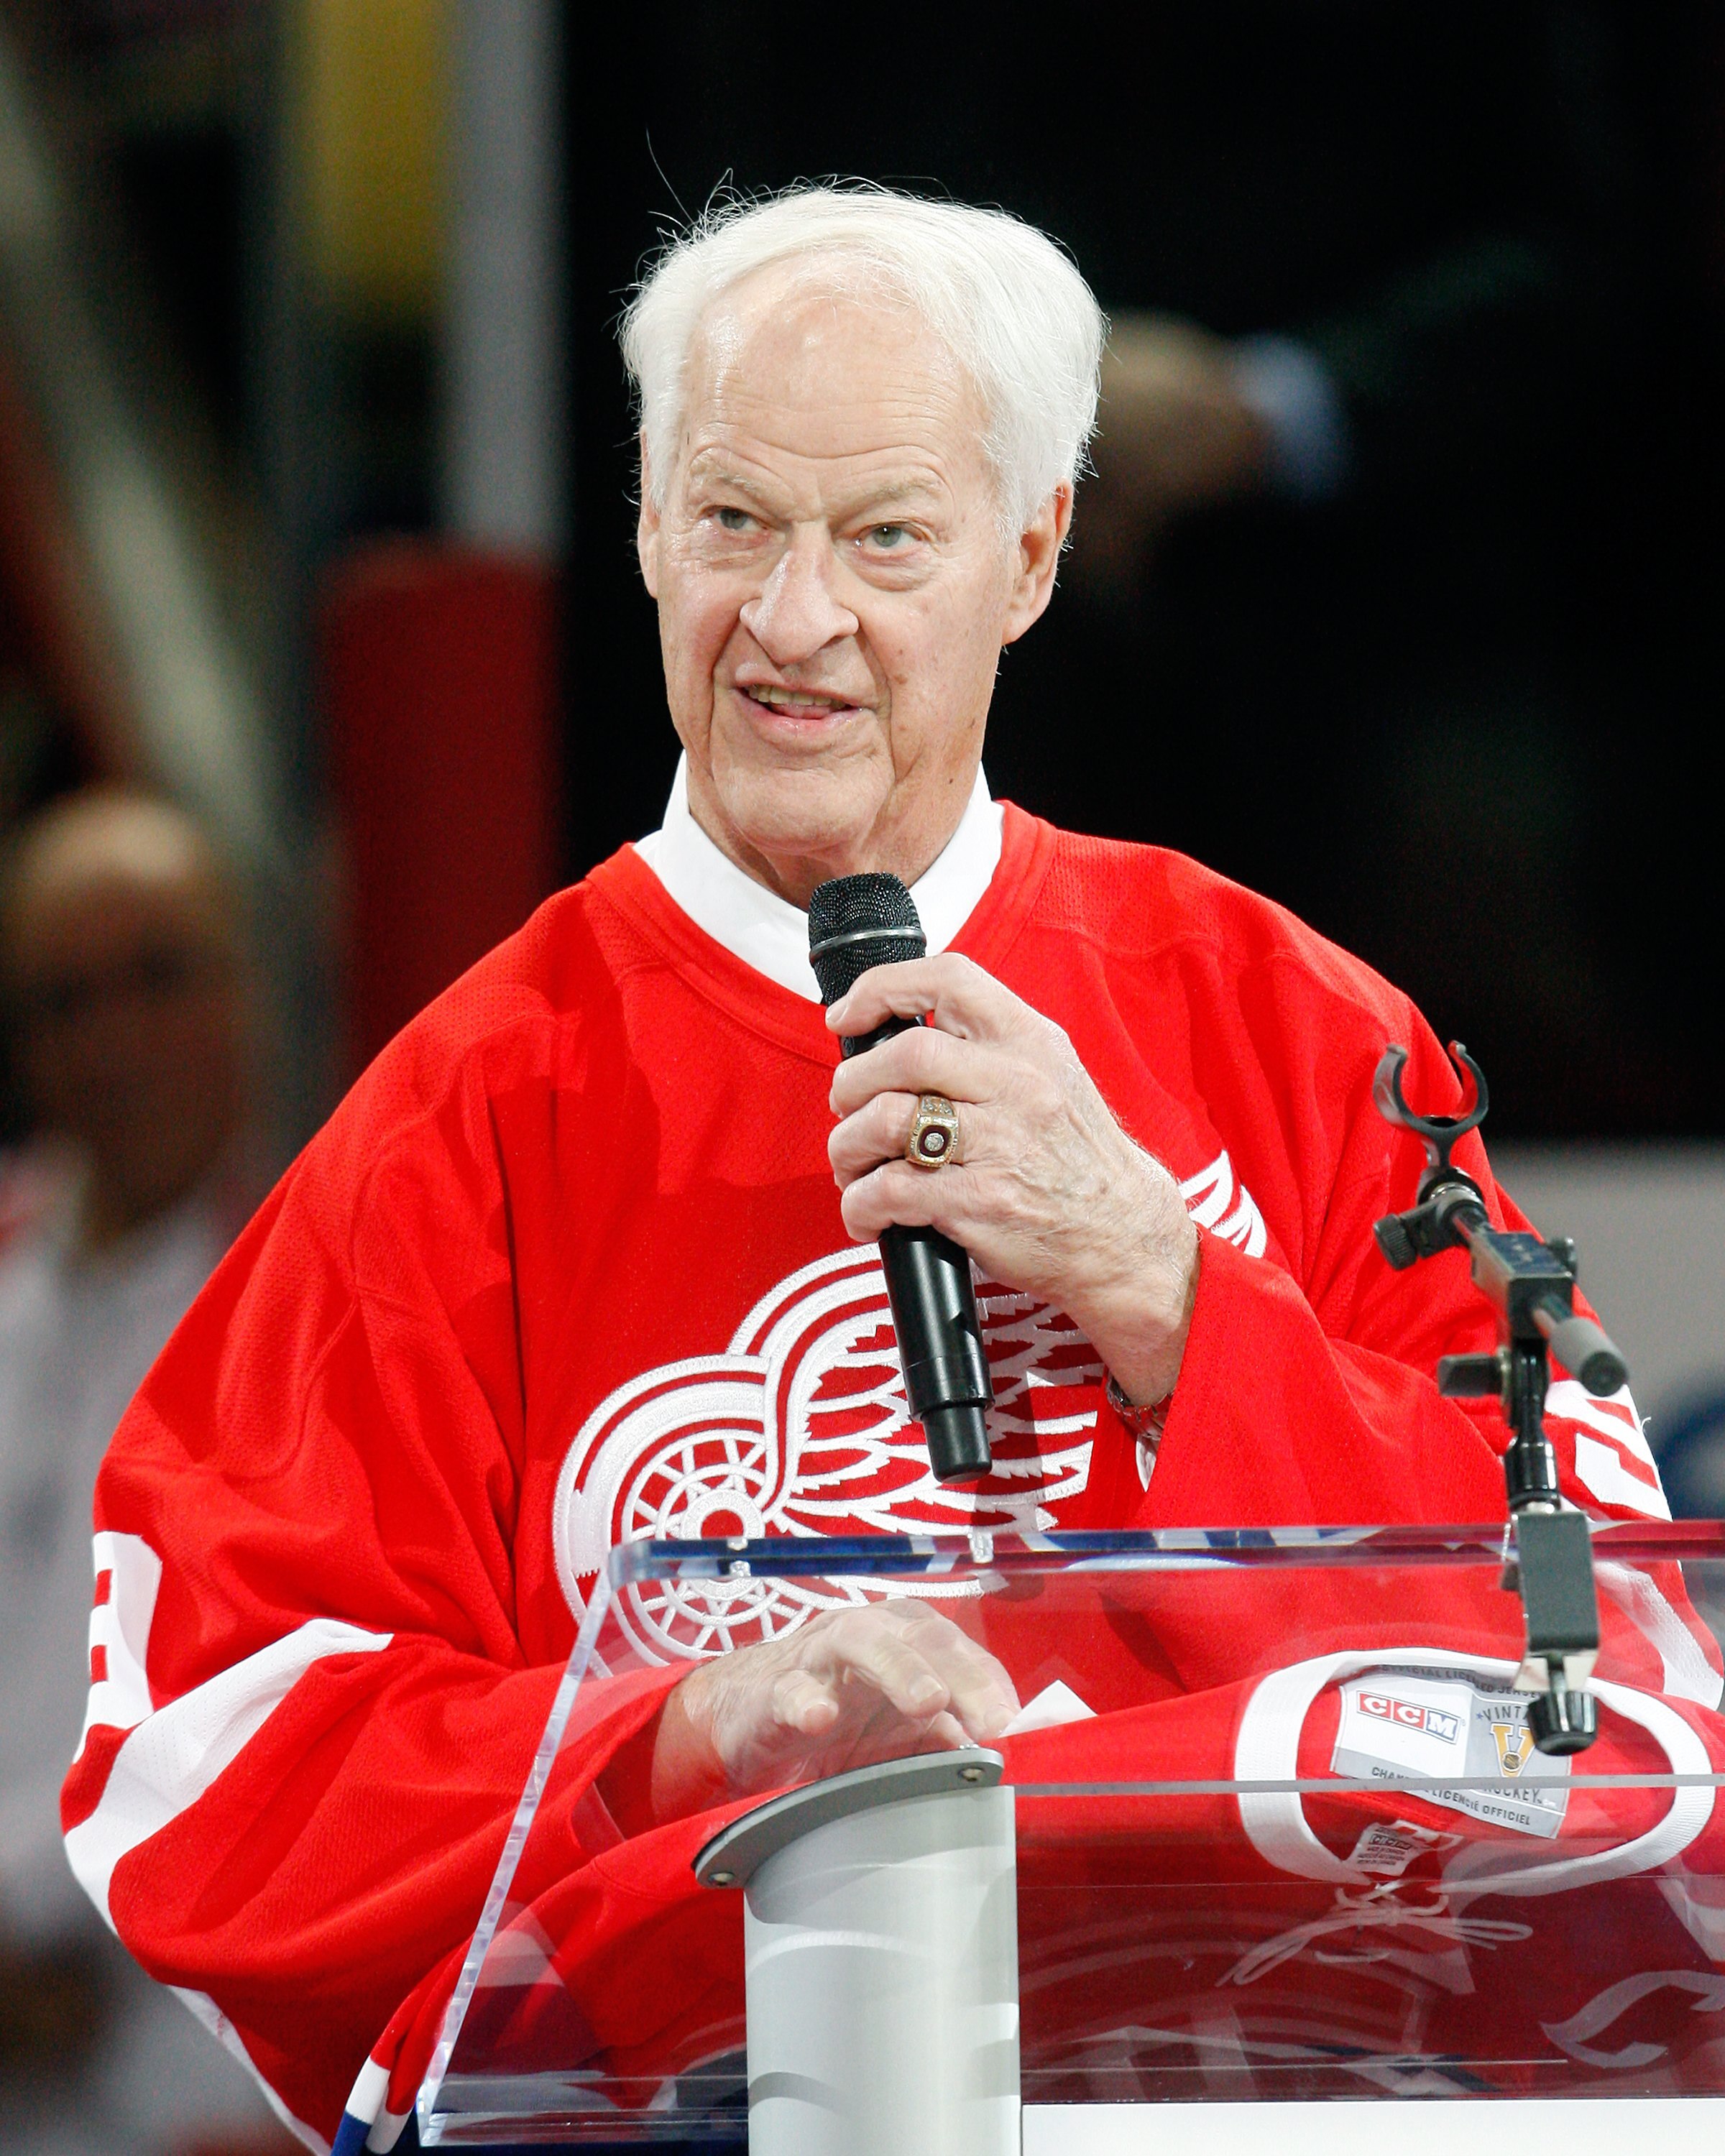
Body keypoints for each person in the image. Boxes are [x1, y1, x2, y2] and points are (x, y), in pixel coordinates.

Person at [58, 190, 1668, 2147]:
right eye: (734, 521)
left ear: (1033, 550)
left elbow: (1611, 1640)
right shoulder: (467, 1111)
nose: (794, 618)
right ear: (648, 531)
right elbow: (203, 1763)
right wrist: (675, 1733)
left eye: (886, 534)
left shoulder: (1295, 1027)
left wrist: (1168, 1292)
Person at [0, 790, 283, 2152]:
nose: (114, 1043)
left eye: (157, 977)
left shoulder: (319, 1299)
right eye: (65, 1001)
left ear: (245, 988)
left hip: (194, 2085)